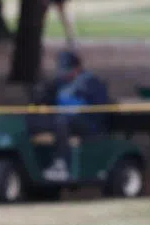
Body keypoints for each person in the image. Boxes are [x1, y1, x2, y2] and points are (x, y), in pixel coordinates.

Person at [29, 50, 112, 181]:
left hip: (89, 124)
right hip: (63, 121)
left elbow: (101, 110)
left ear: (77, 68)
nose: (65, 74)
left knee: (62, 121)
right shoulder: (60, 82)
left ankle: (63, 165)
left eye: (68, 70)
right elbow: (48, 100)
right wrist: (40, 95)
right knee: (32, 121)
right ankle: (34, 164)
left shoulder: (91, 82)